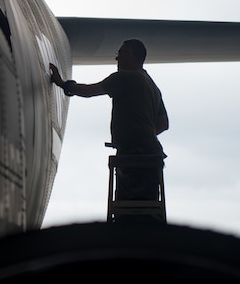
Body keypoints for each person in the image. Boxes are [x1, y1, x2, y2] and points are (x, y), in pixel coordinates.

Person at [49, 38, 169, 201]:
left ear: (134, 56)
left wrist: (62, 83)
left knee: (127, 209)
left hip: (132, 155)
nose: (117, 58)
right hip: (152, 154)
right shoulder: (151, 85)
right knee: (148, 208)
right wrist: (144, 133)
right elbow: (163, 123)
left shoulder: (124, 77)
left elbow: (89, 91)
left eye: (121, 53)